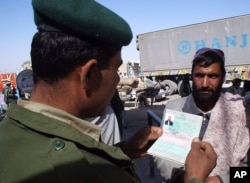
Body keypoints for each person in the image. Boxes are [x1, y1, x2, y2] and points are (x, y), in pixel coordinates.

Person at [0, 1, 217, 182]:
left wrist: (121, 151)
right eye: (116, 68)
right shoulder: (101, 175)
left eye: (214, 76)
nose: (117, 79)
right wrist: (195, 177)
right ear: (90, 75)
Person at [155, 48, 250, 183]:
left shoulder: (240, 112)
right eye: (199, 76)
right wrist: (187, 178)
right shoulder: (175, 108)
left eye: (213, 76)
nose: (205, 84)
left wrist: (223, 179)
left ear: (223, 78)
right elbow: (164, 158)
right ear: (192, 77)